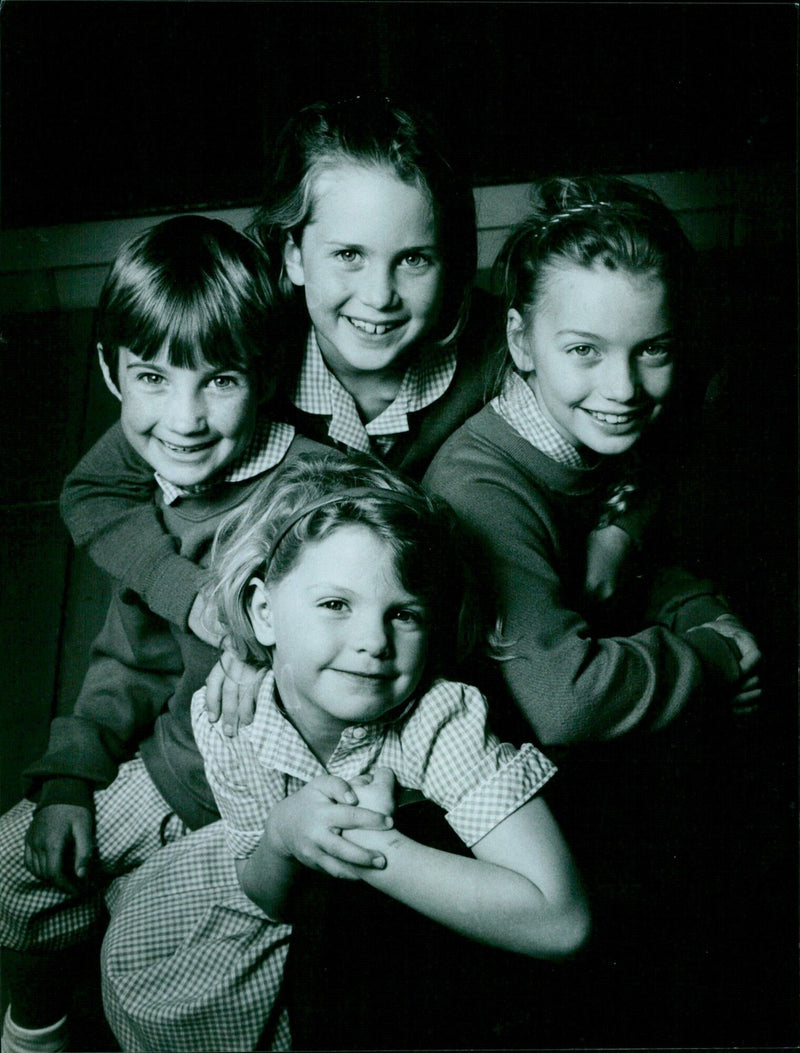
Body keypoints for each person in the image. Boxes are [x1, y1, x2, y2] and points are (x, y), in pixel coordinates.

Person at [422, 175, 763, 1043]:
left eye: (653, 349)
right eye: (585, 350)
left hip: (582, 697)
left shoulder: (614, 418)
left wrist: (698, 610)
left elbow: (642, 522)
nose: (624, 387)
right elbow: (563, 700)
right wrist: (713, 660)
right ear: (521, 342)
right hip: (483, 770)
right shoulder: (480, 487)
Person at [100, 455, 590, 1052]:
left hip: (390, 942)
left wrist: (366, 848)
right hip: (262, 910)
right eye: (336, 604)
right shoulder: (231, 714)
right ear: (263, 611)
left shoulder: (439, 718)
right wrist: (283, 835)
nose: (373, 642)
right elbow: (267, 892)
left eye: (404, 614)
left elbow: (560, 922)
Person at [57, 93, 496, 734]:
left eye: (414, 259)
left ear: (450, 262)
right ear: (292, 254)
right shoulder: (238, 372)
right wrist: (218, 611)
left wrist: (618, 532)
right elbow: (99, 487)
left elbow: (658, 405)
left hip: (430, 643)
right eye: (348, 254)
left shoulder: (496, 349)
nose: (379, 297)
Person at [0, 216, 331, 1053]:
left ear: (263, 374)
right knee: (9, 877)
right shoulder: (162, 478)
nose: (182, 418)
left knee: (160, 995)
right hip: (162, 769)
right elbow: (133, 649)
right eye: (152, 375)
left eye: (218, 380)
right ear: (112, 371)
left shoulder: (317, 491)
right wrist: (72, 773)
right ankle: (34, 1032)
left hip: (258, 818)